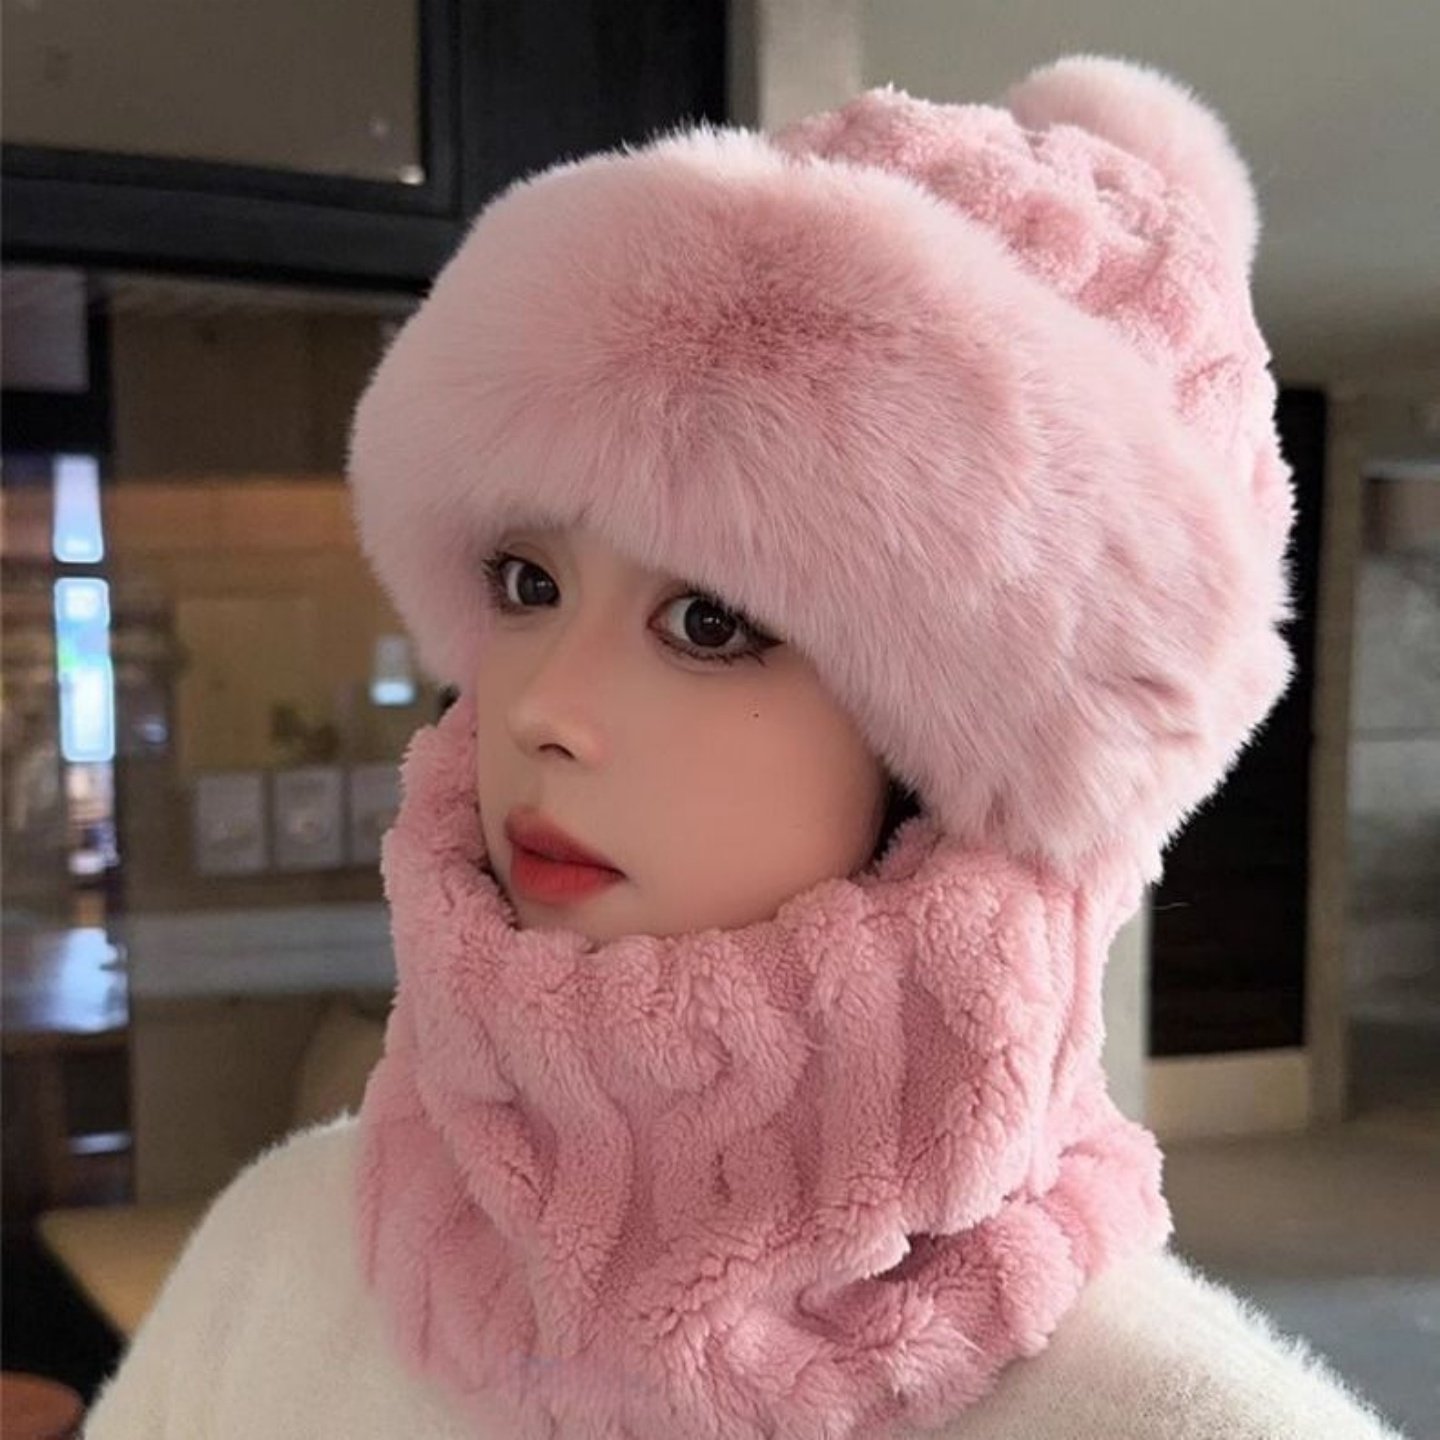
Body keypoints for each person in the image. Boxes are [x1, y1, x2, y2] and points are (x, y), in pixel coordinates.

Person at [82, 53, 1408, 1439]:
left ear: (956, 775)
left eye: (710, 620)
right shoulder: (279, 1260)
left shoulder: (1179, 1422)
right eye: (528, 582)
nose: (538, 707)